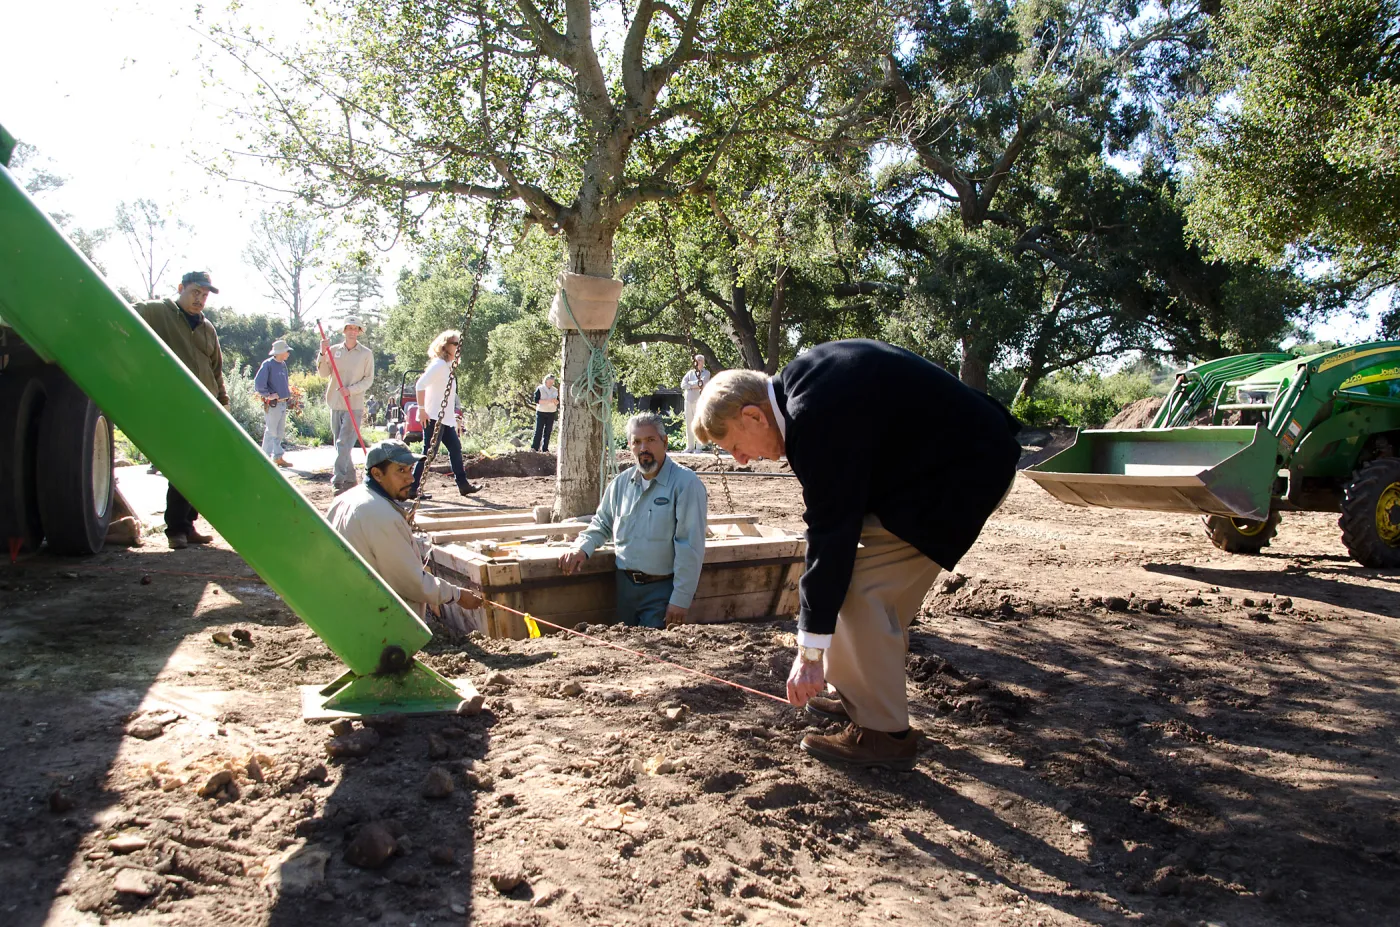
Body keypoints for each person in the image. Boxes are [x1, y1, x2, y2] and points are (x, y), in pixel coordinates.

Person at [692, 339, 1021, 770]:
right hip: (955, 461)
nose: (740, 461)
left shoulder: (815, 419)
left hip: (964, 475)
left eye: (735, 445)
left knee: (860, 583)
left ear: (752, 415)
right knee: (850, 574)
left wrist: (808, 655)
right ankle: (860, 698)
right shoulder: (805, 383)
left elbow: (832, 535)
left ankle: (884, 734)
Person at [558, 413, 707, 629]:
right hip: (624, 590)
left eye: (650, 440)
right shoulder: (621, 484)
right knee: (624, 654)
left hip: (661, 592)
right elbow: (602, 523)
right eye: (637, 442)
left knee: (652, 656)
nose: (643, 448)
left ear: (664, 442)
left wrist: (680, 600)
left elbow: (690, 546)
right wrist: (581, 548)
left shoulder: (685, 484)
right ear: (630, 446)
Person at [326, 440, 483, 618]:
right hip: (373, 619)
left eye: (410, 469)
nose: (410, 478)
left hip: (342, 611)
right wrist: (457, 595)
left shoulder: (345, 499)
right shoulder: (381, 515)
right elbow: (410, 582)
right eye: (400, 471)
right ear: (377, 474)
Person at [133, 271, 229, 550]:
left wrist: (223, 403)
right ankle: (176, 528)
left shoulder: (207, 327)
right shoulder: (157, 312)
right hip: (174, 405)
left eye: (205, 295)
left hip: (206, 407)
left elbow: (216, 369)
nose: (200, 299)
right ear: (181, 289)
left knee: (200, 468)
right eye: (195, 292)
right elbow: (121, 315)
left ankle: (188, 524)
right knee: (183, 466)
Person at [410, 330, 481, 498]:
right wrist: (421, 410)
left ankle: (463, 485)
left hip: (445, 419)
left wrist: (453, 416)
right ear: (445, 346)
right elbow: (420, 385)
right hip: (433, 416)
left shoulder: (447, 366)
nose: (458, 346)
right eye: (455, 343)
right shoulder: (439, 365)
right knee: (429, 452)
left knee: (455, 448)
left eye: (459, 344)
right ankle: (412, 488)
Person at [318, 317, 375, 494]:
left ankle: (338, 480)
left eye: (355, 328)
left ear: (359, 331)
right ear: (343, 331)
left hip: (354, 404)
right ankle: (351, 479)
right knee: (341, 445)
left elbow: (368, 380)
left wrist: (351, 390)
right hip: (335, 403)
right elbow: (323, 373)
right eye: (348, 328)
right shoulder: (333, 350)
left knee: (343, 443)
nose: (352, 331)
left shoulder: (366, 354)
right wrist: (321, 353)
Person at [254, 339, 294, 468]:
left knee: (279, 432)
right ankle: (264, 460)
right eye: (287, 351)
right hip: (274, 404)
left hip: (282, 403)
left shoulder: (282, 365)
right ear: (280, 352)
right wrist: (268, 395)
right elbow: (259, 383)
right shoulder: (268, 364)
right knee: (271, 431)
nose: (288, 353)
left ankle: (278, 457)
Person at [680, 354, 711, 453]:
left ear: (703, 362)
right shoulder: (690, 373)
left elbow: (702, 383)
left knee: (699, 424)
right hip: (688, 401)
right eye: (696, 360)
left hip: (699, 402)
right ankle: (689, 447)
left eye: (699, 360)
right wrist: (693, 385)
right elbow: (683, 384)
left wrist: (691, 384)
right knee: (689, 424)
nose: (697, 362)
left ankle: (699, 447)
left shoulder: (706, 373)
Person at [531, 374, 559, 453]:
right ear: (546, 381)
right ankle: (535, 447)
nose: (551, 383)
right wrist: (548, 401)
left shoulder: (555, 390)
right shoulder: (540, 389)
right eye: (549, 382)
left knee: (548, 431)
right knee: (539, 430)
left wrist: (555, 401)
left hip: (551, 412)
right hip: (541, 411)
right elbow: (536, 400)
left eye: (552, 382)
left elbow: (558, 401)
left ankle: (545, 448)